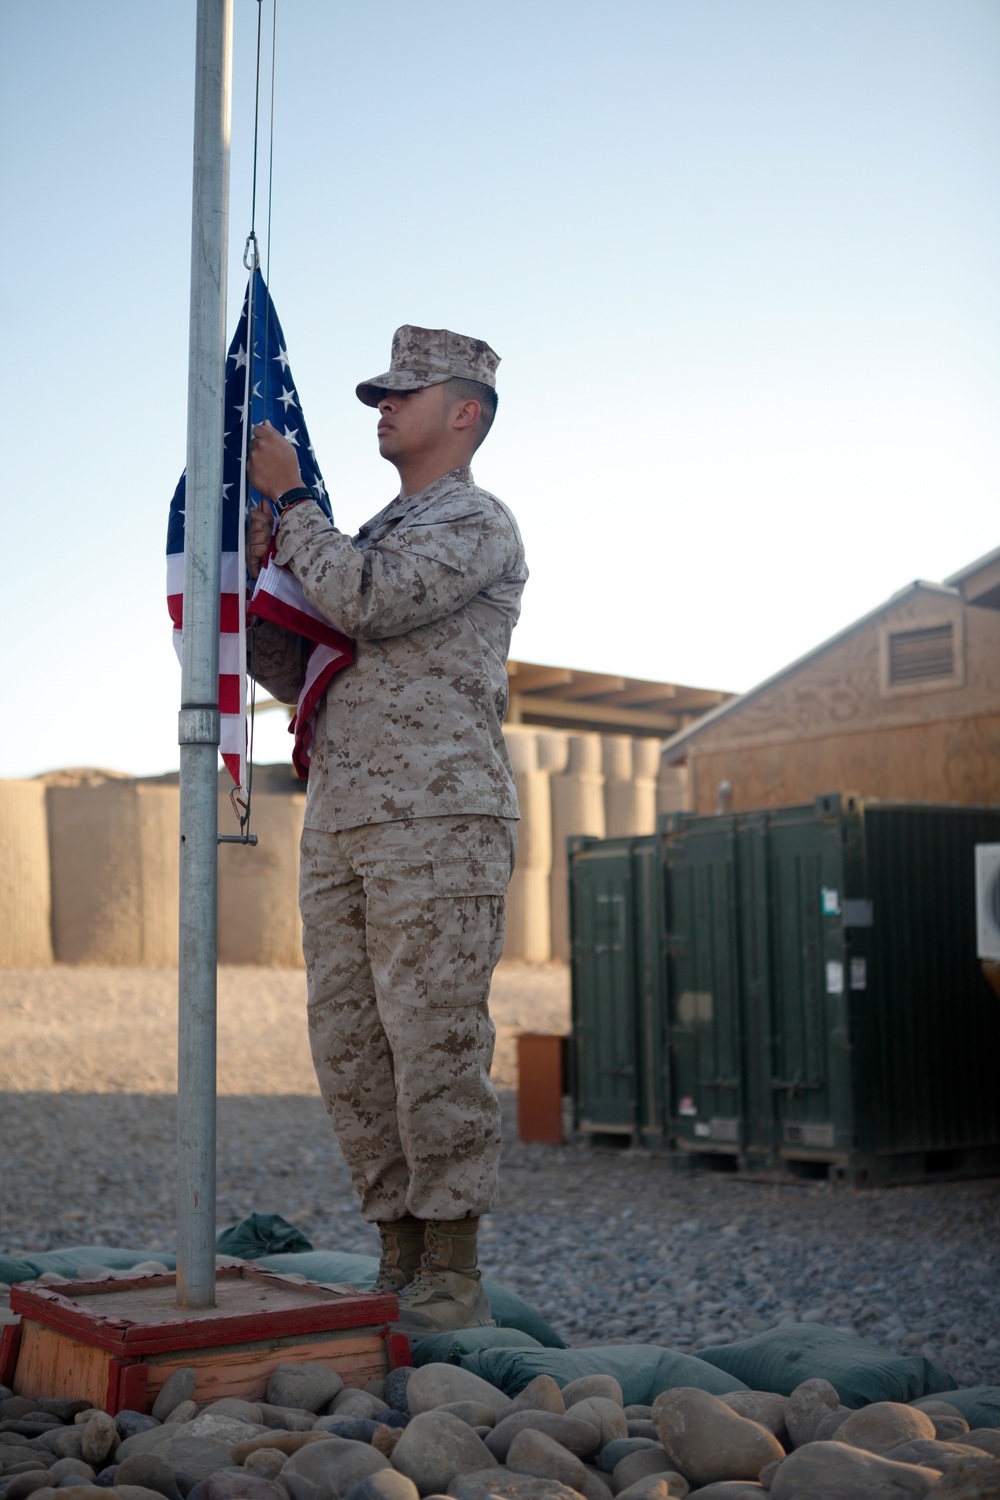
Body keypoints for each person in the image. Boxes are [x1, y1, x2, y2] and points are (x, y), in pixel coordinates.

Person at [246, 326, 527, 1333]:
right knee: (351, 1046)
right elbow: (305, 669)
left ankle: (451, 1268)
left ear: (466, 413)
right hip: (347, 820)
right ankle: (396, 1253)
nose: (382, 408)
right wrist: (260, 588)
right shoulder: (362, 530)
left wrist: (292, 502)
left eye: (404, 395)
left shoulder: (473, 521)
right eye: (377, 396)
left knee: (432, 1038)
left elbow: (368, 603)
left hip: (437, 821)